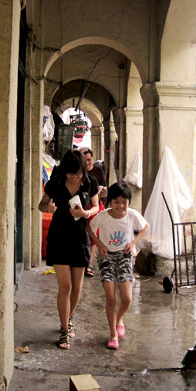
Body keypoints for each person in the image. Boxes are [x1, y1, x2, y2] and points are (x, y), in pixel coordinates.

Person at [38, 150, 99, 349]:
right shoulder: (55, 183)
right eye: (71, 172)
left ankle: (68, 317)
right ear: (64, 170)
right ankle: (64, 330)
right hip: (59, 237)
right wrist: (48, 209)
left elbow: (97, 206)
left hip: (80, 238)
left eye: (78, 172)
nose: (75, 176)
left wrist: (85, 212)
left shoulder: (90, 183)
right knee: (65, 287)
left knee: (76, 289)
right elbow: (41, 204)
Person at [87, 181, 149, 350]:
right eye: (116, 202)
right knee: (111, 297)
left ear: (128, 202)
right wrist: (99, 245)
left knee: (127, 298)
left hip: (125, 256)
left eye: (124, 202)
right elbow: (90, 228)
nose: (121, 206)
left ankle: (119, 318)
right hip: (106, 257)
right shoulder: (103, 216)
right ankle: (113, 333)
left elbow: (145, 227)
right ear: (110, 202)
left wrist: (133, 242)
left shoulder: (132, 215)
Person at [80, 148, 107, 277]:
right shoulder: (79, 173)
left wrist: (101, 190)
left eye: (90, 159)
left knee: (92, 236)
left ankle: (88, 265)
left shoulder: (98, 172)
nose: (88, 163)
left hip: (94, 206)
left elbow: (105, 187)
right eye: (85, 160)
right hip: (82, 206)